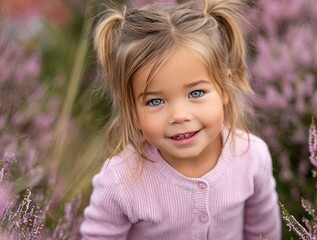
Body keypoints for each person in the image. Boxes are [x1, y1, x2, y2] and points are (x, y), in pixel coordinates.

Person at [80, 0, 281, 239]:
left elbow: (263, 232)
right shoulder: (120, 182)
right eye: (155, 101)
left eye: (196, 93)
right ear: (131, 109)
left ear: (225, 87)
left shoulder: (251, 158)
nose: (179, 116)